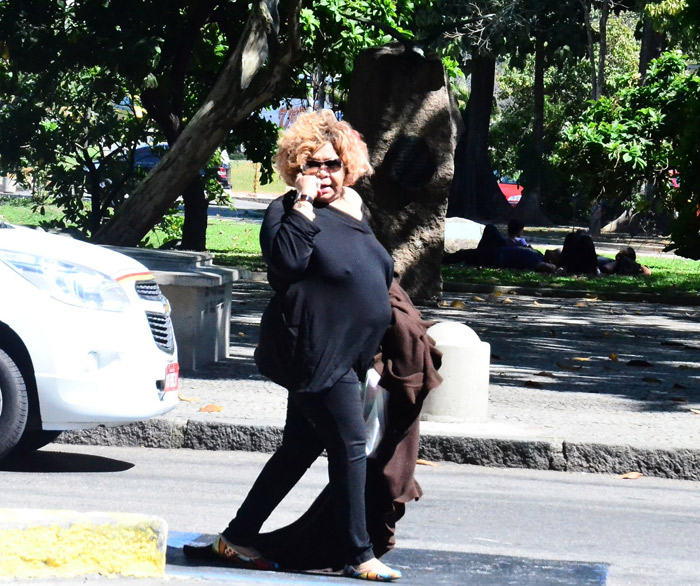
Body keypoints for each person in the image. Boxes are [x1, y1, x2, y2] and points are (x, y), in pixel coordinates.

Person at [213, 110, 402, 582]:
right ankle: (358, 554)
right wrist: (302, 208)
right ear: (295, 168)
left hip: (352, 353)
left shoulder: (357, 209)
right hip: (317, 353)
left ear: (349, 165)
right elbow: (286, 265)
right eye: (312, 164)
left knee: (298, 448)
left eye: (333, 163)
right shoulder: (285, 212)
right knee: (349, 445)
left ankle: (237, 536)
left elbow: (373, 271)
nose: (324, 172)